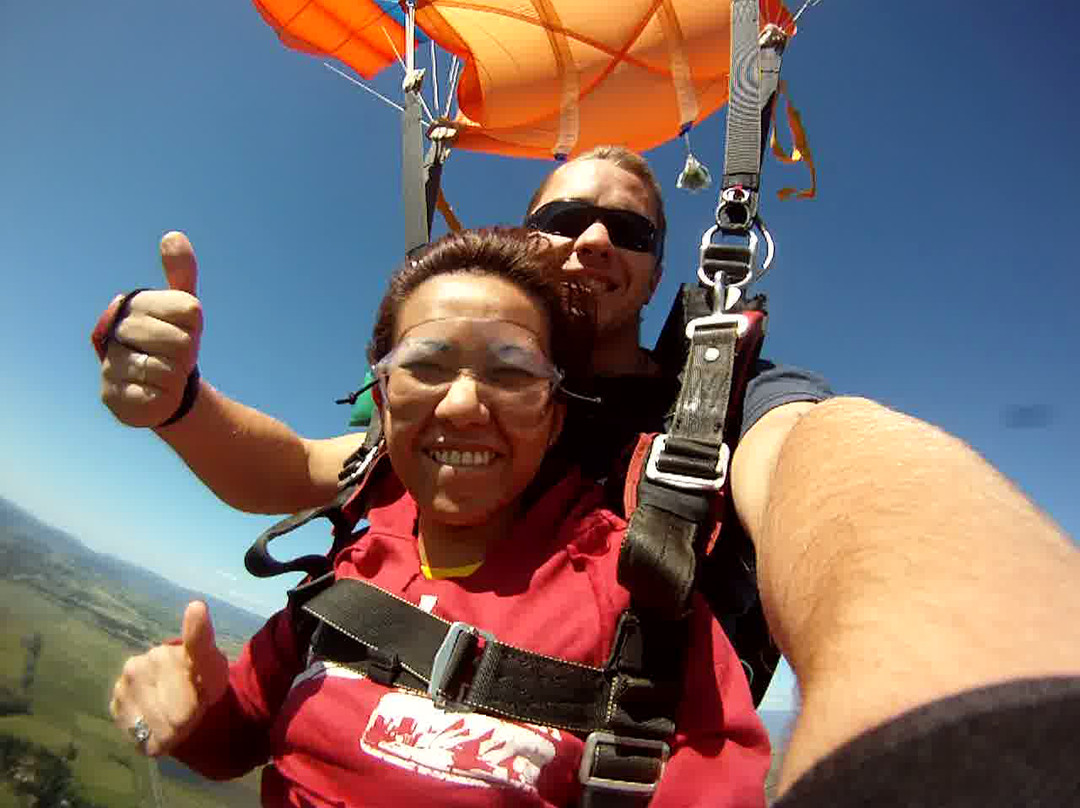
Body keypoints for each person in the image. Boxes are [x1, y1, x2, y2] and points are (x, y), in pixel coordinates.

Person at [108, 228, 772, 807]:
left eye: (511, 375)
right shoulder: (353, 564)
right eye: (425, 366)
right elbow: (233, 739)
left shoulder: (637, 605)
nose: (460, 405)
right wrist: (180, 707)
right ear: (385, 400)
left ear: (554, 417)